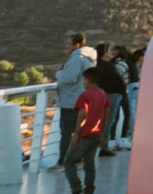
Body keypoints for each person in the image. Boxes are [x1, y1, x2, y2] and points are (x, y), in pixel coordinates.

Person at [63, 70, 109, 194]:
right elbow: (106, 113)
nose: (83, 82)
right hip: (96, 134)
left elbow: (83, 113)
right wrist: (102, 133)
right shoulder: (103, 94)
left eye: (83, 80)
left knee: (68, 162)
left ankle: (76, 187)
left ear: (88, 80)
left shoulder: (84, 96)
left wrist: (76, 133)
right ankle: (89, 189)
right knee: (89, 163)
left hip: (84, 135)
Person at [55, 33, 95, 165]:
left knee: (67, 132)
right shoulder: (89, 59)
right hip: (81, 100)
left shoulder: (76, 58)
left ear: (77, 45)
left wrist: (58, 73)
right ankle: (77, 159)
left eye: (68, 44)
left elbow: (70, 78)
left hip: (70, 101)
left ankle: (64, 161)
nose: (66, 47)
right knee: (77, 131)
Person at [89, 50, 127, 158]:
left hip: (109, 94)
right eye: (107, 51)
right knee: (107, 122)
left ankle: (101, 146)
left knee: (105, 122)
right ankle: (103, 147)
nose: (110, 54)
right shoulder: (105, 66)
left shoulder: (100, 66)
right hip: (112, 95)